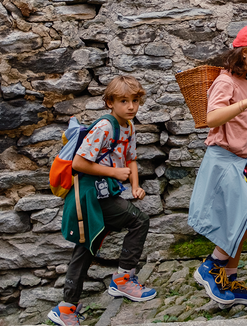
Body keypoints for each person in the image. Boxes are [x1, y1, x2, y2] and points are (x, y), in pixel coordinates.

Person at [187, 24, 247, 306]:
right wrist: (245, 104)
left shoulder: (246, 84)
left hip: (239, 163)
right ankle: (210, 268)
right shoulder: (225, 82)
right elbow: (213, 117)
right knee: (245, 216)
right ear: (245, 53)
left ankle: (228, 279)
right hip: (223, 162)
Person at [48, 75, 156, 326]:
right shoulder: (104, 127)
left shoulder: (128, 126)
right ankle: (122, 281)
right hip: (89, 195)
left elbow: (131, 159)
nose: (131, 106)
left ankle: (66, 307)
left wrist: (136, 186)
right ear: (110, 103)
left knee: (87, 248)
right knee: (139, 221)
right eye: (123, 101)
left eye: (135, 101)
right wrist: (114, 173)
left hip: (104, 192)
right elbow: (79, 163)